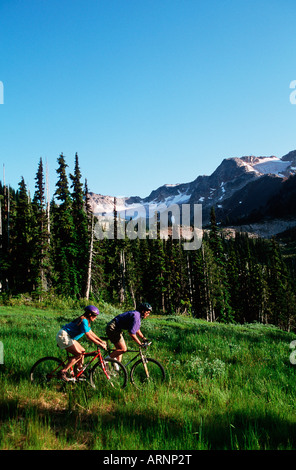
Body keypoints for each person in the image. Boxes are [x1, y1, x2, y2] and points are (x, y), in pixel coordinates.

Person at [56, 305, 107, 382]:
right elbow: (88, 336)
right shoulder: (84, 321)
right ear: (89, 314)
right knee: (79, 355)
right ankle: (63, 371)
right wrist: (99, 344)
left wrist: (101, 341)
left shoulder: (86, 320)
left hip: (68, 337)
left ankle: (79, 372)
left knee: (82, 351)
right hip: (64, 336)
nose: (95, 317)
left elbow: (90, 332)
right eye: (94, 315)